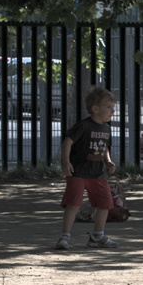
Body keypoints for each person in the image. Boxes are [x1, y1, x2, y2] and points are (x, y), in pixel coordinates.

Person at [56, 86, 119, 250]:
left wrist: (108, 162)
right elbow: (68, 141)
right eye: (109, 107)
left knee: (105, 203)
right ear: (95, 109)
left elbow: (104, 148)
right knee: (73, 203)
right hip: (78, 172)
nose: (112, 111)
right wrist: (66, 162)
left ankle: (97, 236)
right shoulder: (83, 125)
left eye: (113, 107)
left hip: (97, 174)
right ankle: (65, 237)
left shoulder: (106, 128)